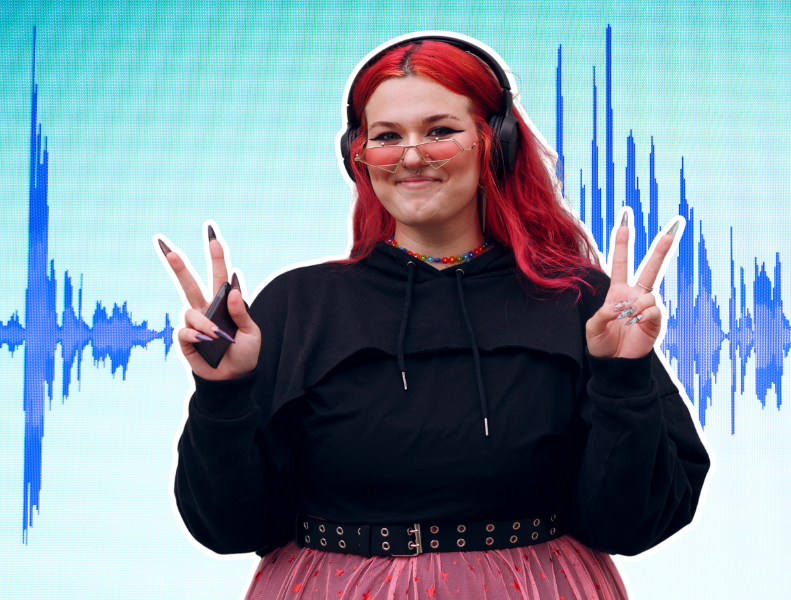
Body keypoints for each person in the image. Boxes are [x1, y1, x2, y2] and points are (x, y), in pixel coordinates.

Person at [158, 32, 709, 600]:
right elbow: (230, 529)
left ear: (495, 142)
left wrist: (622, 380)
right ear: (359, 155)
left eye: (440, 131)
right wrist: (222, 394)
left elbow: (630, 524)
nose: (412, 156)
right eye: (387, 137)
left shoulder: (581, 304)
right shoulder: (296, 306)